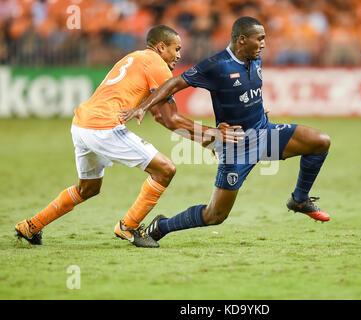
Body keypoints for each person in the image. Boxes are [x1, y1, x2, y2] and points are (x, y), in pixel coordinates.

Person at [14, 25, 243, 248]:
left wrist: (206, 138)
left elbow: (159, 114)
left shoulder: (135, 58)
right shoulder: (156, 63)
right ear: (161, 47)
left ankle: (31, 226)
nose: (179, 55)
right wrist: (212, 135)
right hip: (104, 127)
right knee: (165, 169)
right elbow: (168, 119)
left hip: (82, 125)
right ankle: (129, 226)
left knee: (88, 188)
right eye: (176, 49)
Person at [121, 17, 331, 247]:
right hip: (236, 147)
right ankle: (162, 226)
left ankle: (299, 200)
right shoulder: (216, 65)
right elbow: (174, 84)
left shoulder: (255, 59)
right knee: (215, 216)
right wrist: (143, 106)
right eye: (259, 39)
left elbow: (247, 93)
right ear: (242, 40)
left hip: (264, 134)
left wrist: (259, 109)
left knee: (320, 142)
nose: (263, 44)